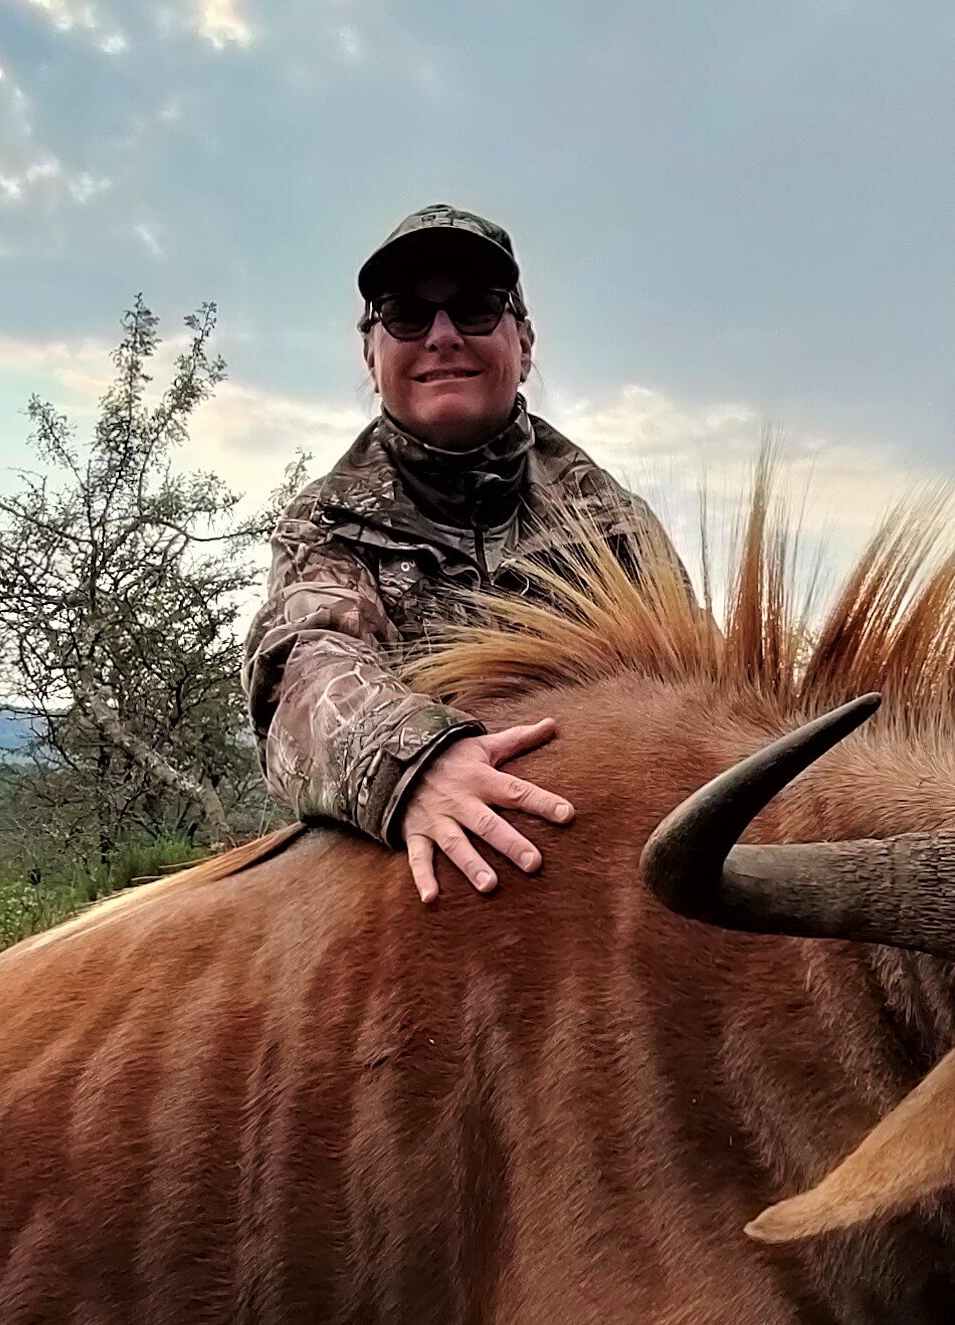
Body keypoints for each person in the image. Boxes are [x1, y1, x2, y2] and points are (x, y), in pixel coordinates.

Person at [244, 205, 687, 904]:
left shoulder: (613, 519)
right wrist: (418, 762)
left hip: (618, 883)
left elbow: (698, 697)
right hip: (421, 897)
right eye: (406, 315)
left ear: (525, 341)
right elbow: (304, 670)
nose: (443, 337)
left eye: (477, 309)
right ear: (371, 351)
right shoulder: (328, 523)